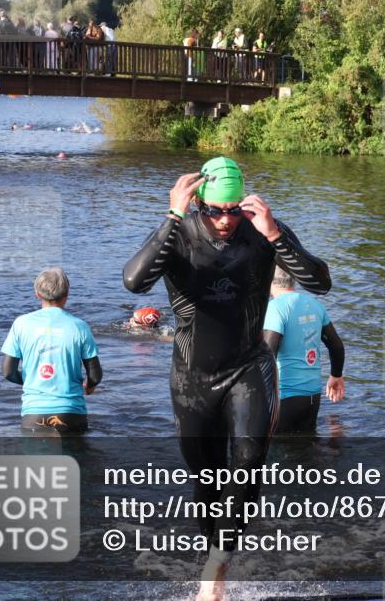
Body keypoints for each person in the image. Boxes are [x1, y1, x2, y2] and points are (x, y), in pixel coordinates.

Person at [123, 156, 330, 600]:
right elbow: (134, 282)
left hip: (248, 365)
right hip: (192, 376)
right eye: (214, 210)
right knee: (208, 479)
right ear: (198, 203)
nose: (224, 220)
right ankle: (215, 546)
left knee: (248, 462)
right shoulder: (179, 232)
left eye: (234, 210)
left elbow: (321, 281)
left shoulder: (262, 232)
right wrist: (173, 215)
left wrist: (274, 233)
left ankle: (216, 567)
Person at [1, 268, 103, 436]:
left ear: (37, 293)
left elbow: (7, 372)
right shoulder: (80, 326)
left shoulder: (21, 324)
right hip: (71, 414)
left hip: (33, 414)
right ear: (67, 293)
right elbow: (95, 374)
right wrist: (90, 386)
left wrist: (32, 380)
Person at [263, 267, 345, 433]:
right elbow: (336, 346)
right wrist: (336, 376)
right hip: (313, 396)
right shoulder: (315, 305)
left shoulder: (275, 309)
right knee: (307, 446)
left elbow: (268, 354)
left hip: (284, 397)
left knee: (279, 451)